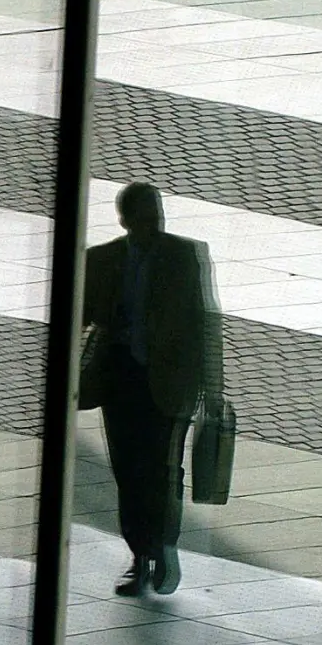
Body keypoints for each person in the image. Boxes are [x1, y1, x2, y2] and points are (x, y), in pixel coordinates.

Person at [82, 181, 221, 597]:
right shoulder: (102, 259)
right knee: (127, 470)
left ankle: (160, 547)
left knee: (161, 470)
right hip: (121, 377)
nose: (153, 221)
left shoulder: (183, 255)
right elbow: (83, 315)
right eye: (144, 213)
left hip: (166, 379)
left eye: (156, 211)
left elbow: (202, 321)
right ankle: (141, 555)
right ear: (125, 219)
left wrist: (211, 386)